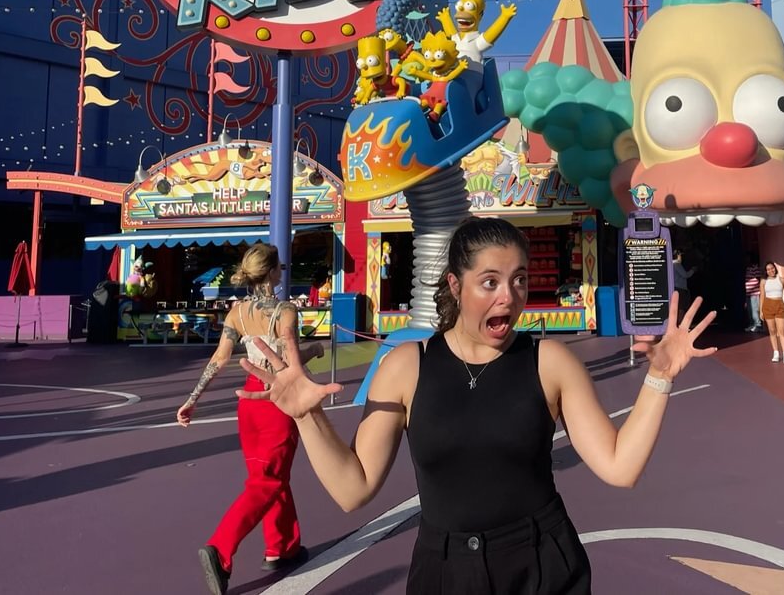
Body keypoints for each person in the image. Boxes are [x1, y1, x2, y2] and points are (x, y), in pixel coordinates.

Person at [240, 217, 717, 594]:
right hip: (445, 570)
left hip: (542, 564)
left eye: (519, 280)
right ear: (455, 285)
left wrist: (658, 378)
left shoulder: (549, 362)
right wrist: (307, 414)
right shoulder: (407, 366)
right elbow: (353, 488)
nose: (508, 297)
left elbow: (620, 466)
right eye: (489, 282)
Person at [177, 243, 323, 595]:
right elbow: (290, 365)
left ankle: (282, 547)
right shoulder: (285, 311)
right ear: (274, 272)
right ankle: (220, 549)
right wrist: (315, 350)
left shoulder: (237, 313)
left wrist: (192, 399)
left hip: (249, 402)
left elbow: (220, 357)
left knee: (268, 476)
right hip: (275, 401)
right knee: (268, 482)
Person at [761, 260, 784, 364]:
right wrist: (761, 311)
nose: (771, 270)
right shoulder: (763, 281)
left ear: (775, 268)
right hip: (768, 306)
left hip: (779, 305)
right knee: (772, 330)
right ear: (766, 271)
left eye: (772, 268)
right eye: (768, 269)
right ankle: (776, 352)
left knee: (781, 331)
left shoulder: (782, 280)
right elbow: (762, 296)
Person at [743, 256, 763, 332]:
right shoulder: (747, 269)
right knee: (749, 310)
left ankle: (757, 325)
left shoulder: (755, 268)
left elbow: (758, 278)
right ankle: (752, 324)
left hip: (754, 293)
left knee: (755, 310)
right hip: (748, 293)